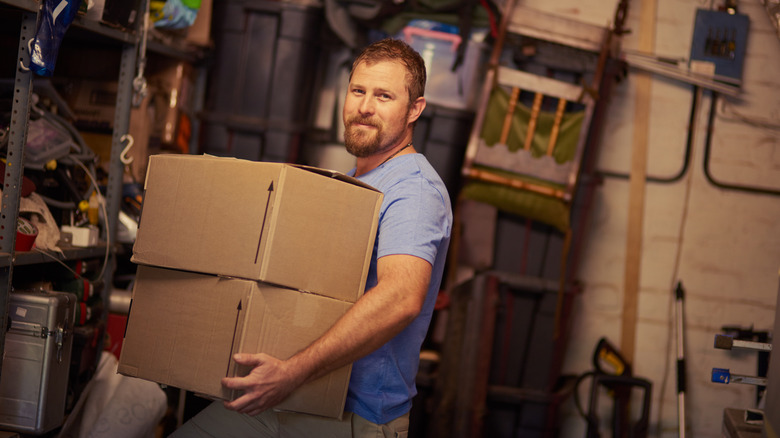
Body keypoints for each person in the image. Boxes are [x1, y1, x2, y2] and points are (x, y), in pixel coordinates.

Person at [171, 37, 452, 437]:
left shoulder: (414, 190)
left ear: (414, 110)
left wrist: (292, 372)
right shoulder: (361, 181)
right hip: (289, 394)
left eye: (384, 96)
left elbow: (401, 298)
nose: (365, 107)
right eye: (358, 91)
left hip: (351, 417)